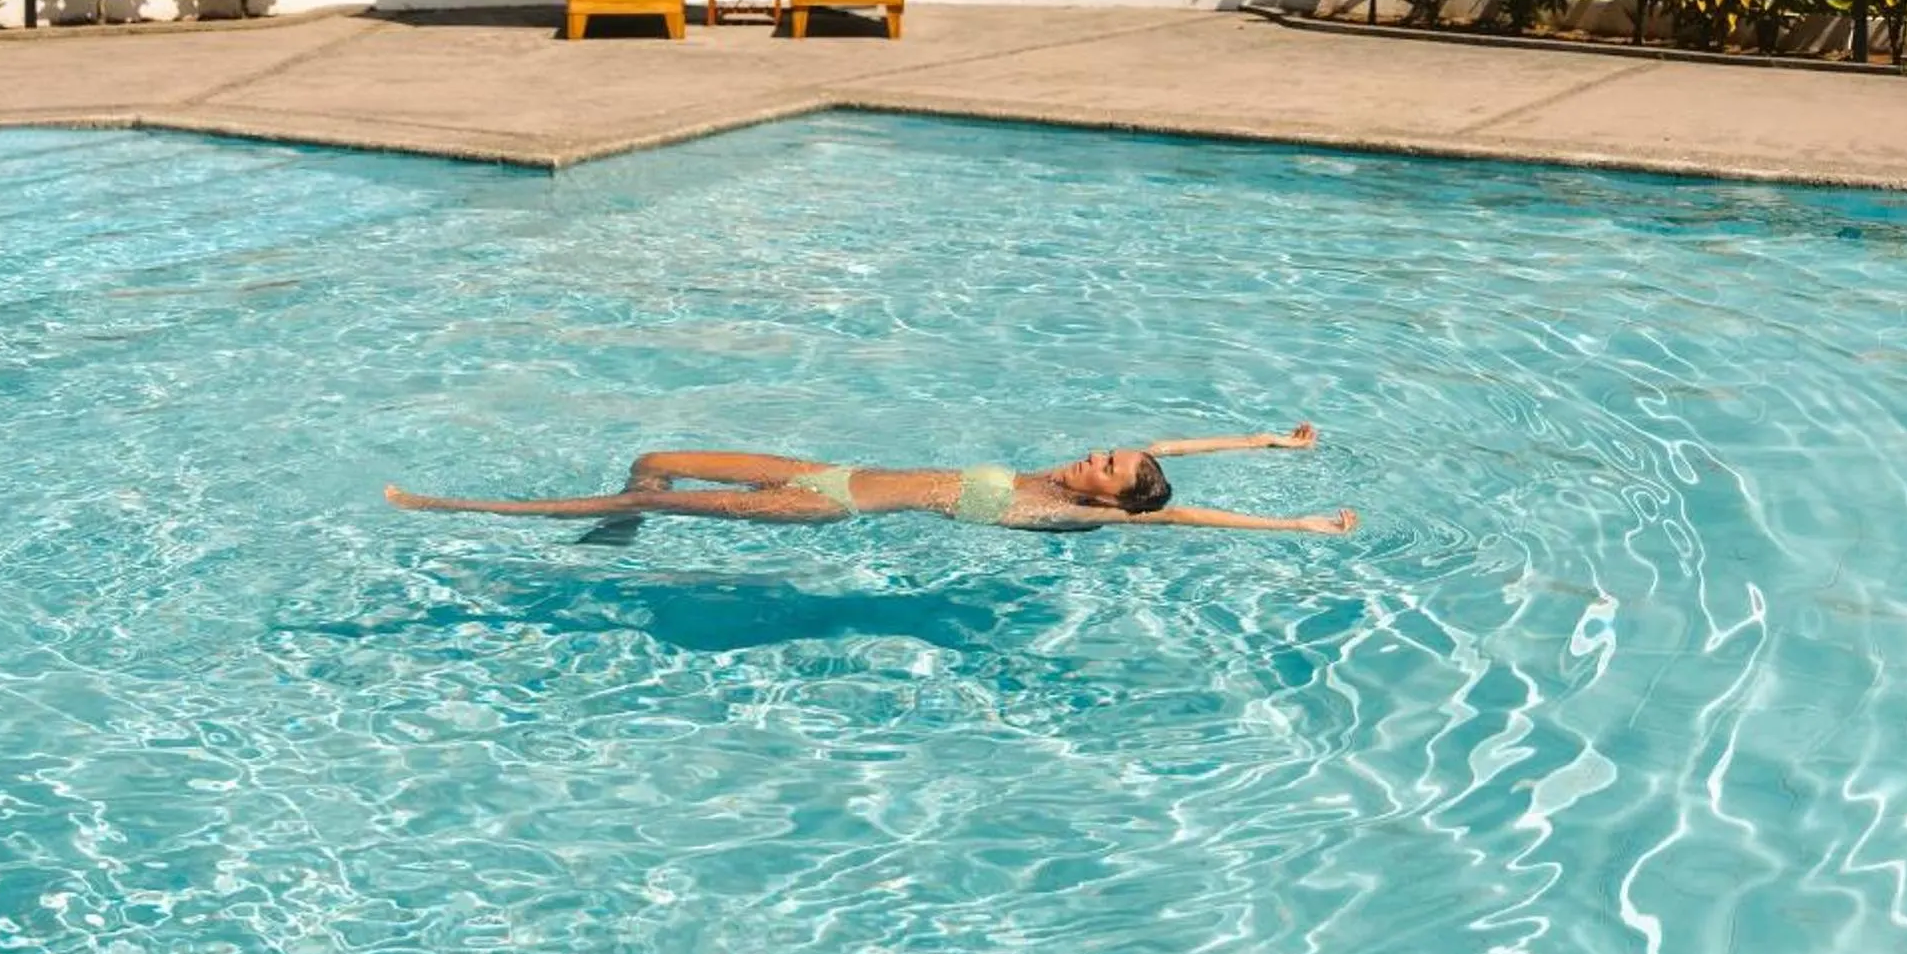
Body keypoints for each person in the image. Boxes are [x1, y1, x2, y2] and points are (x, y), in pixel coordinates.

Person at [383, 427, 1356, 535]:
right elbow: (1169, 454)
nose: (1096, 453)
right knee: (658, 452)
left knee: (644, 491)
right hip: (828, 466)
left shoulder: (1063, 511)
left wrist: (1299, 524)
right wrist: (1269, 438)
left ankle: (453, 505)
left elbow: (1183, 513)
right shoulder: (1060, 472)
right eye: (1106, 451)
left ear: (1107, 497)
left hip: (830, 501)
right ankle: (625, 525)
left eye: (1107, 466)